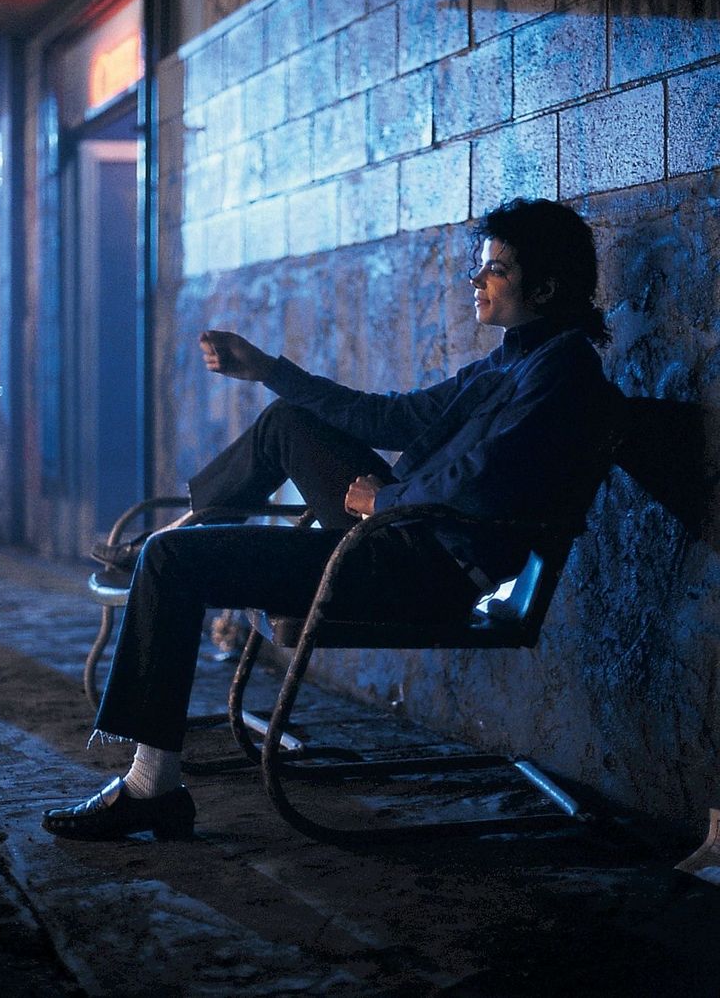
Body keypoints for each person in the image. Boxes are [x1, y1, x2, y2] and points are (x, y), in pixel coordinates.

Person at [42, 197, 614, 841]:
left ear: (544, 285)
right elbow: (388, 418)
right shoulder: (512, 359)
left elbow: (485, 482)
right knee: (287, 421)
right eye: (479, 268)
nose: (477, 282)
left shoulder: (563, 373)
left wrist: (384, 502)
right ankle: (175, 534)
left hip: (419, 566)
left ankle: (152, 786)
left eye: (496, 271)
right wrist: (268, 371)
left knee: (169, 566)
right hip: (398, 537)